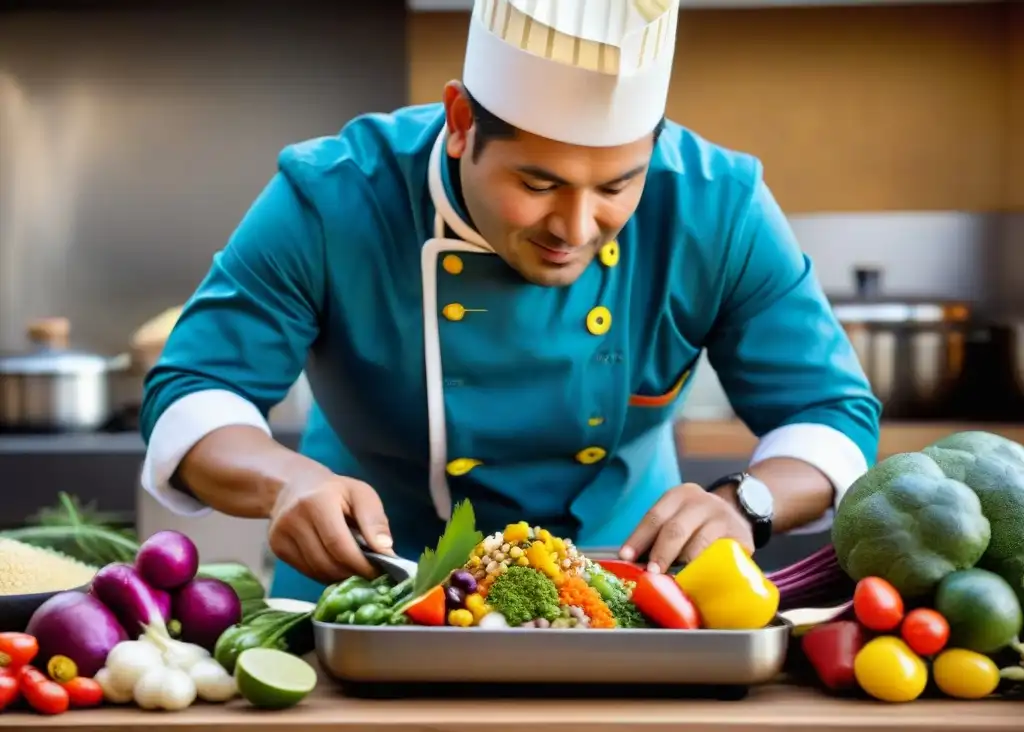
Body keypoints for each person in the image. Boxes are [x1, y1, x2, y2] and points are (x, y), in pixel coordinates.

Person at [139, 0, 881, 603]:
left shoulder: (718, 206)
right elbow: (194, 393)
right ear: (461, 124)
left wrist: (746, 502)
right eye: (538, 184)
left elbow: (831, 412)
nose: (576, 227)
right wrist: (286, 483)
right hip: (371, 587)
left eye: (617, 186)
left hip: (627, 593)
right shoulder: (331, 197)